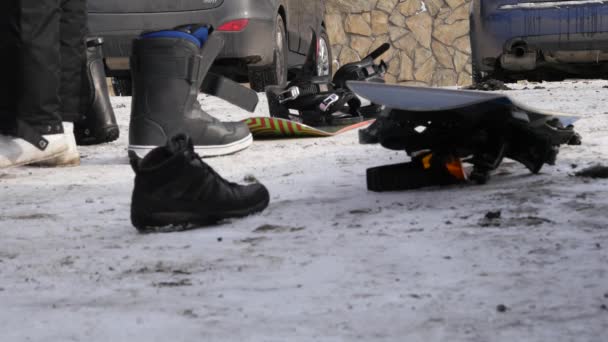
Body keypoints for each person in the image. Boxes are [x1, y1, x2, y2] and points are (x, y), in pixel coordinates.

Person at [0, 0, 87, 168]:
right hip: (54, 122)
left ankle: (35, 129)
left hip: (34, 128)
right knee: (63, 9)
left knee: (30, 9)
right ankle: (61, 130)